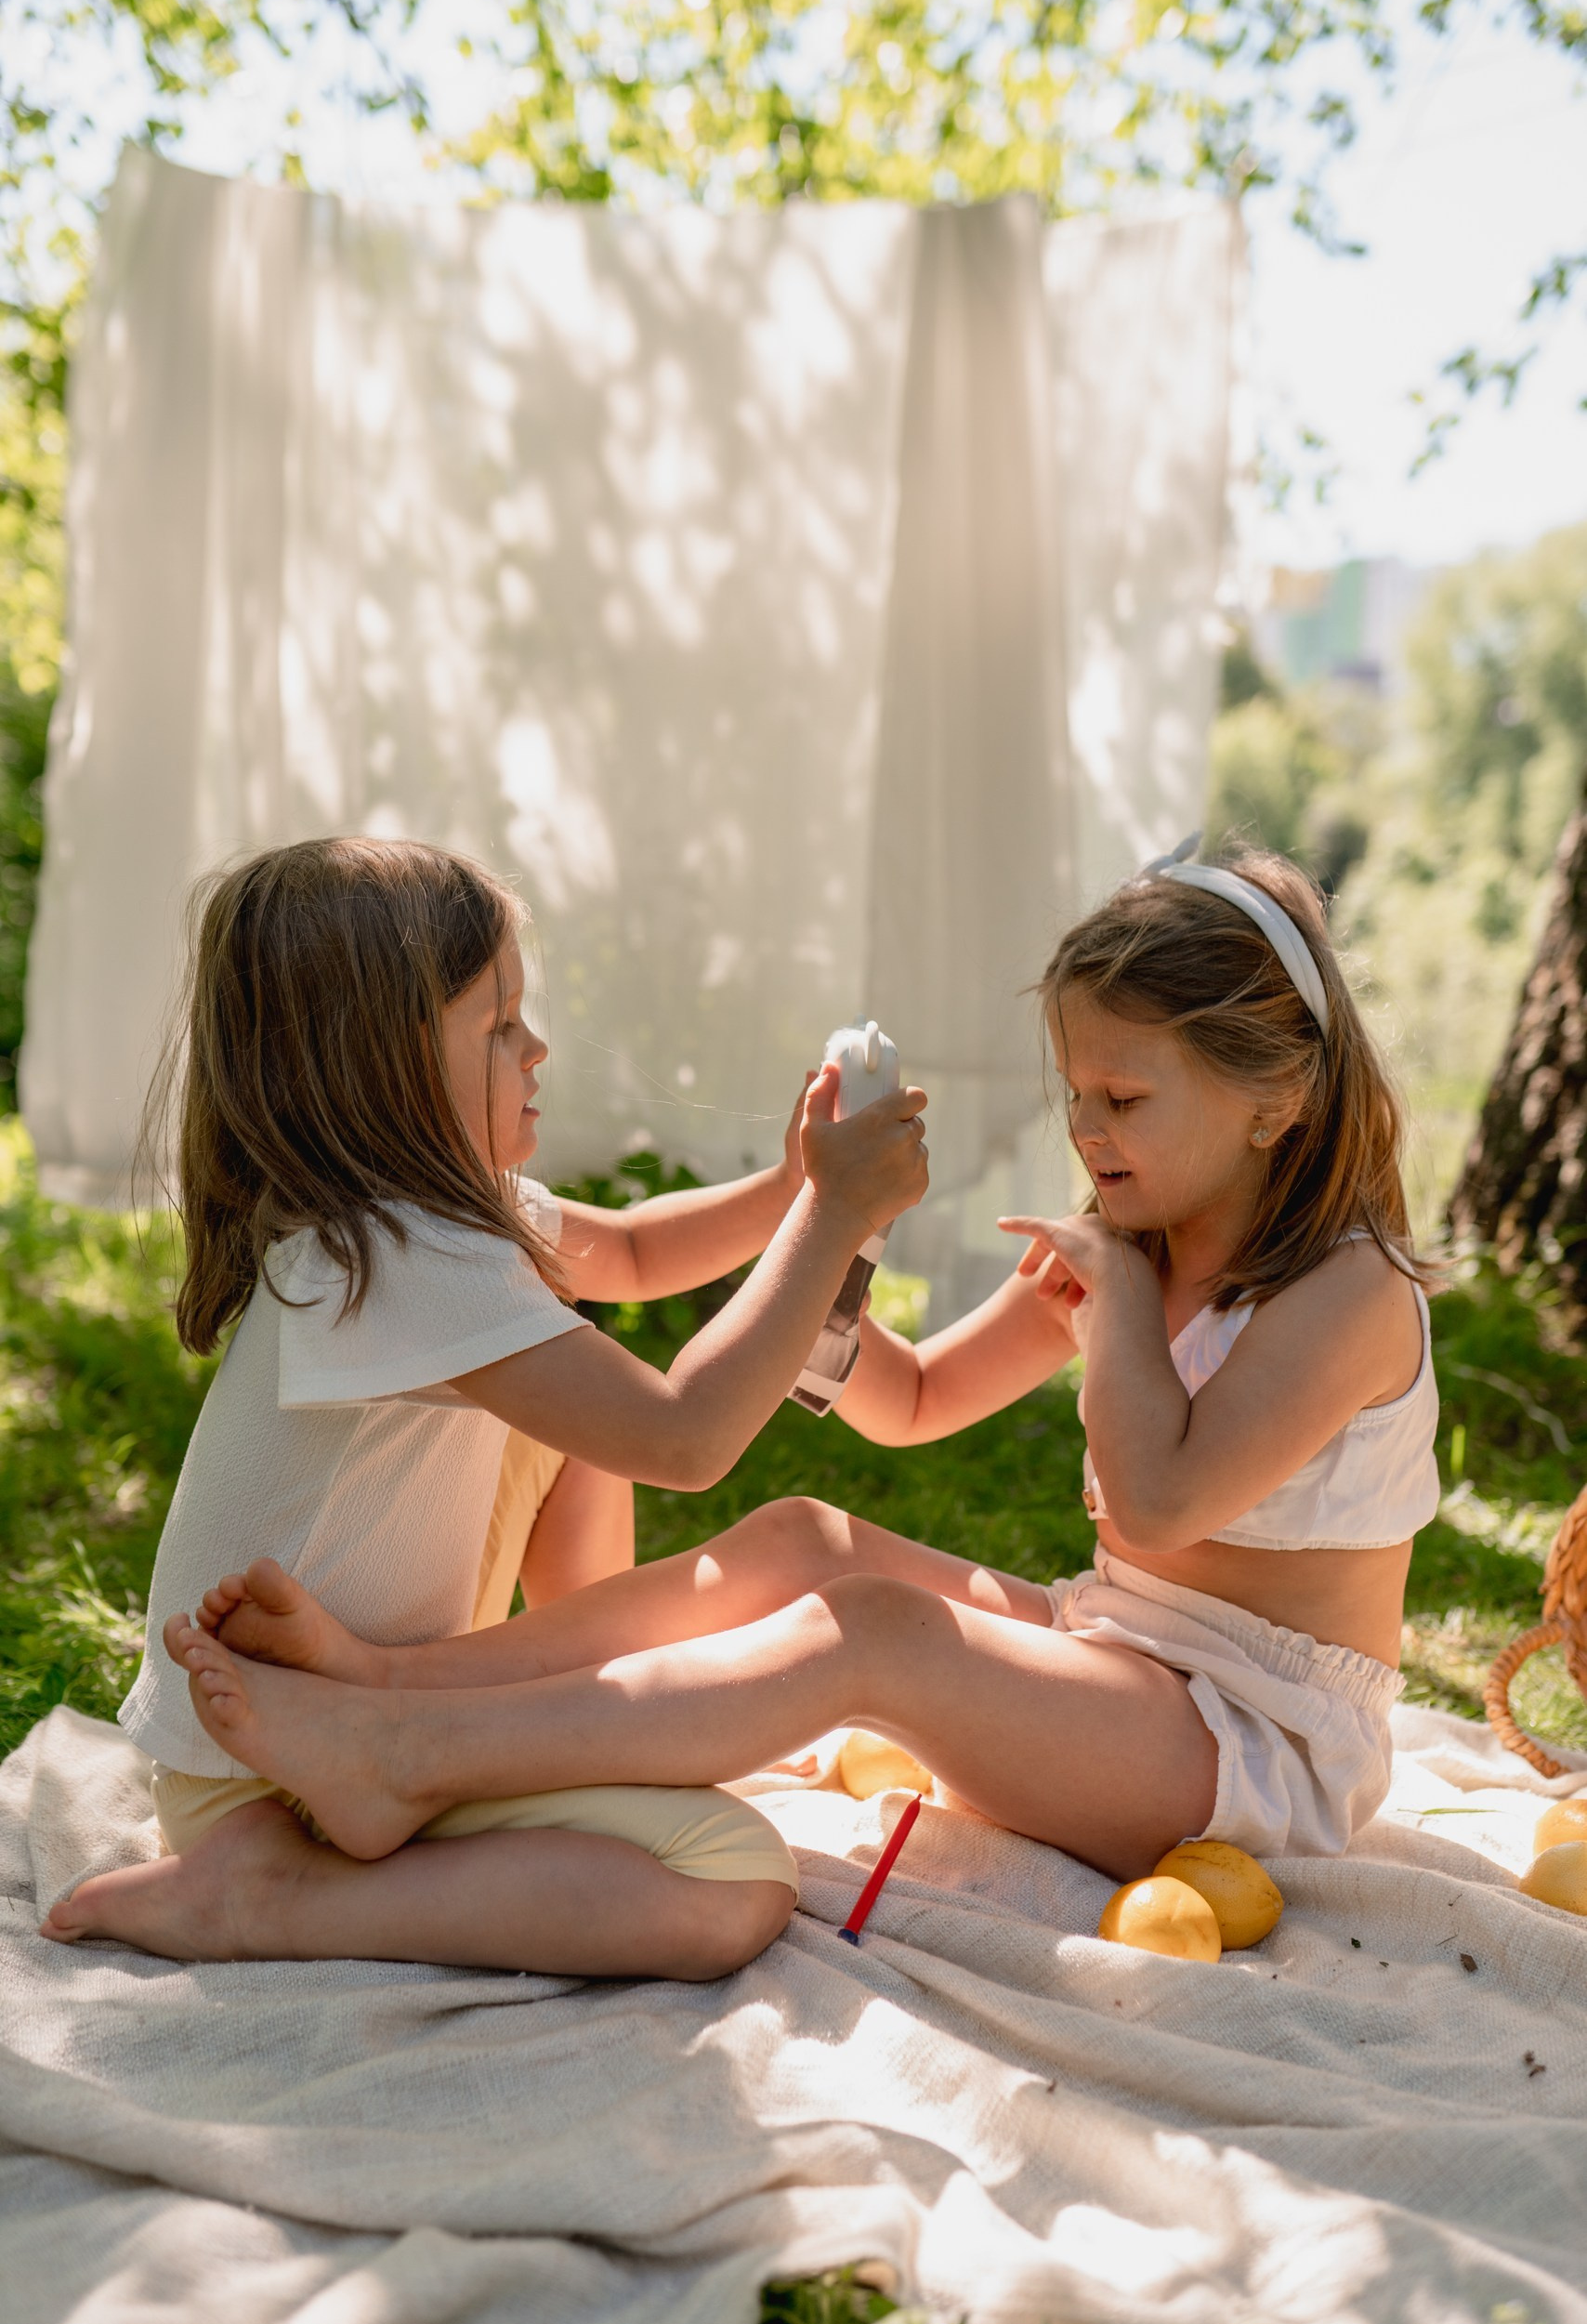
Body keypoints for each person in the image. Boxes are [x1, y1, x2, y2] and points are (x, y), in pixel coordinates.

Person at [52, 842, 1440, 1923]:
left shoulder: (1346, 1293)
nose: (1084, 1132)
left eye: (1122, 1102)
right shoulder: (1130, 1262)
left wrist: (1120, 1311)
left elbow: (1158, 1500)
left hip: (1254, 1750)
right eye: (1074, 1094)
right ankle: (395, 1688)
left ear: (1279, 1100)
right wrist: (825, 1251)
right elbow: (911, 1405)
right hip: (1122, 1654)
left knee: (874, 1634)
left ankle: (417, 1749)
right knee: (803, 1542)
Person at [40, 836, 928, 1976]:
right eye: (500, 1025)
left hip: (309, 1723)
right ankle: (271, 1897)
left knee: (573, 1378)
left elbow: (634, 1251)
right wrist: (830, 1219)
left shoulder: (419, 1224)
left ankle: (571, 1720)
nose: (536, 1047)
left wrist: (791, 1186)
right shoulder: (403, 1259)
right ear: (388, 1067)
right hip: (274, 1777)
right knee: (727, 1880)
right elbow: (683, 1435)